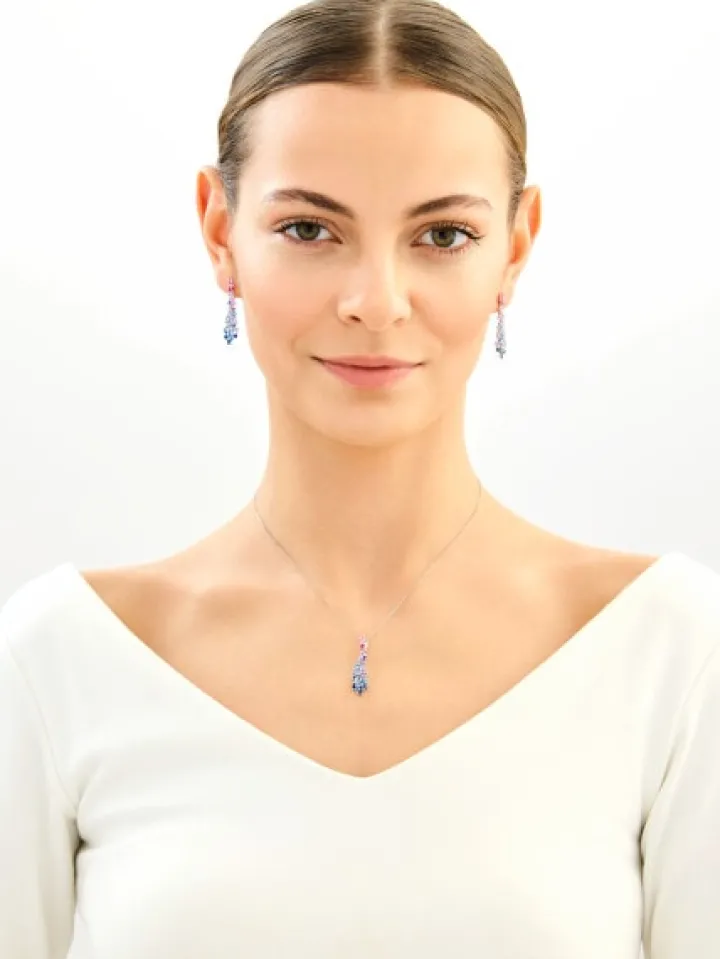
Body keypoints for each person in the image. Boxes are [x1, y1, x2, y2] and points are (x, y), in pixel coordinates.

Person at [1, 0, 719, 955]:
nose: (376, 302)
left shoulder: (671, 652)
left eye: (443, 235)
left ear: (516, 244)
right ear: (220, 231)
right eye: (309, 228)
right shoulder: (58, 661)